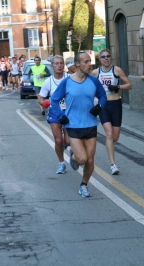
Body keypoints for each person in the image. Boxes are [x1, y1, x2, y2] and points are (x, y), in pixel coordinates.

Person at [50, 52, 107, 197]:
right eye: (86, 62)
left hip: (90, 124)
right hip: (73, 125)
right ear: (77, 64)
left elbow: (103, 96)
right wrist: (60, 115)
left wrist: (99, 106)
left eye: (90, 62)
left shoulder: (93, 81)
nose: (89, 65)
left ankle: (84, 185)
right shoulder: (67, 82)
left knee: (90, 160)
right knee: (82, 159)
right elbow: (54, 100)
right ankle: (74, 157)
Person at [91, 49, 132, 175]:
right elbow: (88, 87)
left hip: (116, 104)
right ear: (100, 59)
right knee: (109, 134)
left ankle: (109, 146)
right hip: (103, 105)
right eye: (103, 57)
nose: (106, 58)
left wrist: (117, 87)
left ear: (111, 58)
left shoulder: (117, 70)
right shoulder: (95, 73)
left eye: (108, 56)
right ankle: (113, 165)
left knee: (115, 137)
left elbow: (129, 85)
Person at [38, 55, 70, 174]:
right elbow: (40, 97)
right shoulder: (48, 81)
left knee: (68, 141)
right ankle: (62, 163)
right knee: (58, 141)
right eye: (56, 63)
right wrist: (44, 102)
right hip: (55, 113)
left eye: (61, 63)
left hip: (68, 112)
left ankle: (71, 148)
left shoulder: (70, 78)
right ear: (52, 66)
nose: (59, 66)